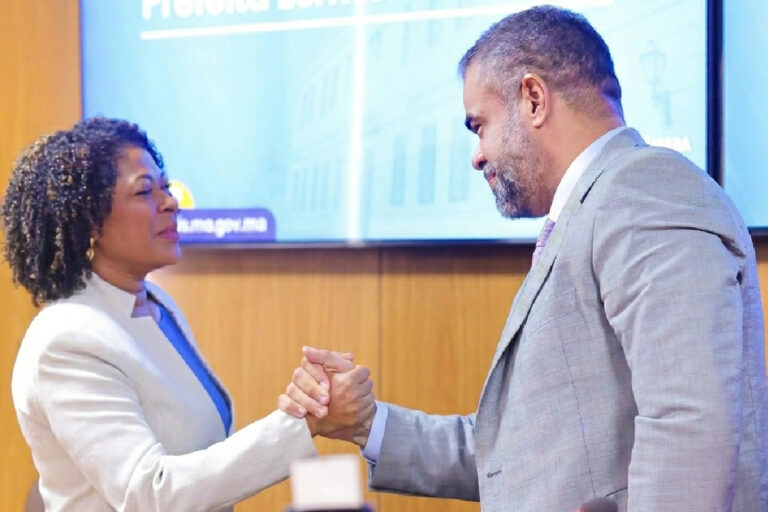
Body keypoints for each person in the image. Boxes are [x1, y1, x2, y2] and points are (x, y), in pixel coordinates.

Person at [280, 5, 768, 511]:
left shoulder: (643, 188)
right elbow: (518, 459)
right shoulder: (594, 210)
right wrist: (365, 423)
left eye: (479, 126)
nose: (477, 155)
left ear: (533, 99)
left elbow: (690, 423)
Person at [3, 117, 374, 511]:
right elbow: (151, 494)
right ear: (90, 221)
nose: (170, 202)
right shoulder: (67, 339)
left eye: (165, 187)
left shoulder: (157, 305)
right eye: (144, 191)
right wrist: (304, 422)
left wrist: (309, 408)